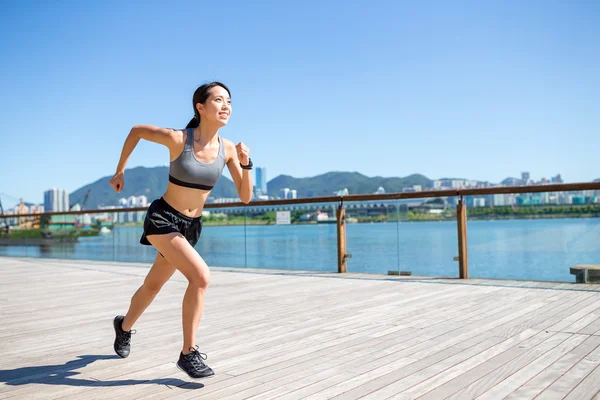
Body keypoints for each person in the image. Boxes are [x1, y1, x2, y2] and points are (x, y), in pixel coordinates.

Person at [108, 82, 253, 379]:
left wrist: (246, 164)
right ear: (200, 107)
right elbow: (136, 130)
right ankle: (188, 353)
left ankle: (123, 326)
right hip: (163, 219)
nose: (226, 106)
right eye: (218, 100)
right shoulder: (179, 139)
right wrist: (120, 170)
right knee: (201, 277)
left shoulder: (227, 149)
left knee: (153, 285)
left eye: (229, 101)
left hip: (191, 227)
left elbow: (246, 196)